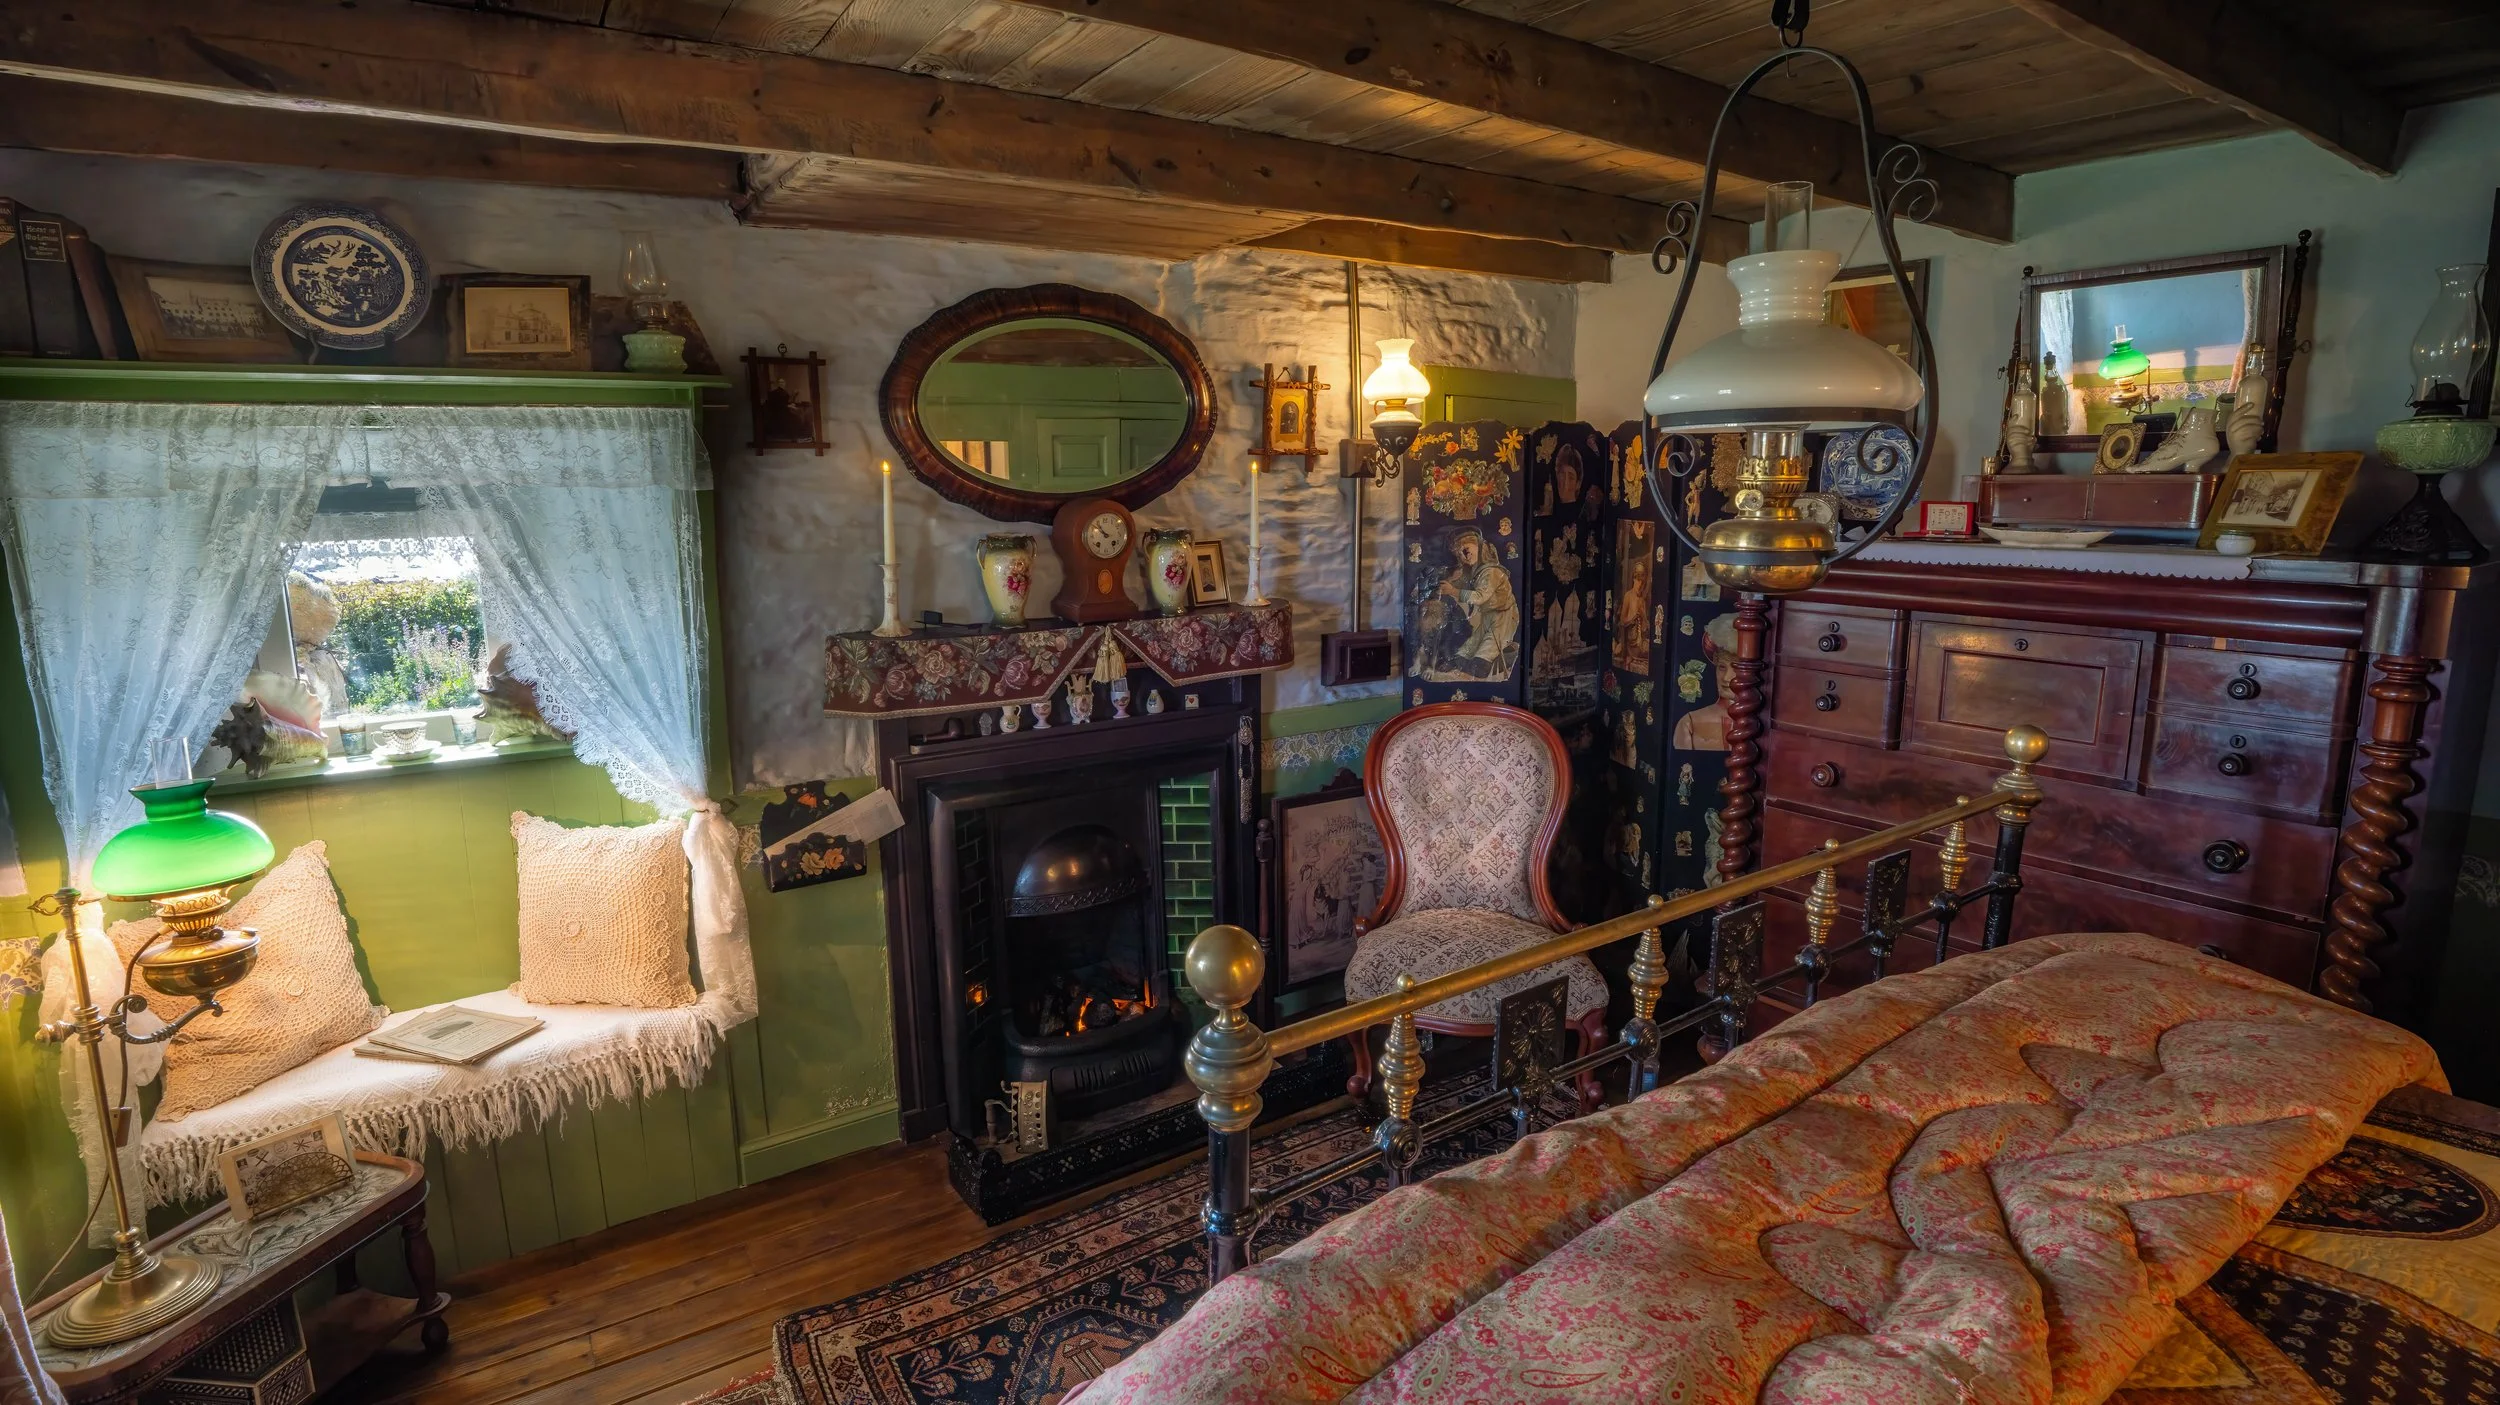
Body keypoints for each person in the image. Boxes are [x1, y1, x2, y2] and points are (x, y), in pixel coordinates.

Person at [1420, 527, 1519, 681]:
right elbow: (1465, 585)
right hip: (1488, 616)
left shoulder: (1492, 571)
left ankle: (1480, 668)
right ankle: (1458, 664)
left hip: (1504, 617)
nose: (1463, 556)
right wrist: (1451, 583)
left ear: (1480, 546)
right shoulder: (1476, 572)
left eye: (1465, 549)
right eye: (1459, 554)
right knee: (1467, 649)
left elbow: (1480, 596)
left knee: (1485, 654)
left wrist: (1453, 591)